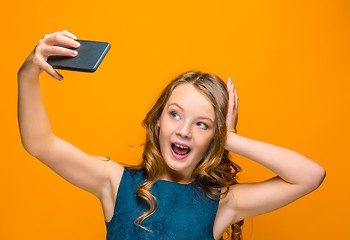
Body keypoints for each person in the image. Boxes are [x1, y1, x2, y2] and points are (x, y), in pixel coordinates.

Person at [17, 30, 326, 240]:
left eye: (202, 124)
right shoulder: (115, 182)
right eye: (175, 114)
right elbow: (40, 143)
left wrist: (230, 137)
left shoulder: (223, 203)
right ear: (158, 122)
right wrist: (28, 74)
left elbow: (310, 175)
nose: (184, 130)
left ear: (213, 137)